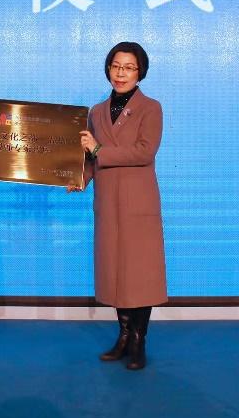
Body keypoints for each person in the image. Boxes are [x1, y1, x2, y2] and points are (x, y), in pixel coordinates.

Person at [72, 42, 168, 371]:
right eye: (115, 66)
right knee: (115, 273)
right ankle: (123, 336)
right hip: (108, 203)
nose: (121, 73)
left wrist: (99, 149)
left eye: (128, 67)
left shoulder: (150, 108)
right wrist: (80, 179)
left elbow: (144, 151)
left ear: (140, 72)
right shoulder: (97, 111)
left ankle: (139, 340)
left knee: (139, 275)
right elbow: (89, 157)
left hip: (138, 203)